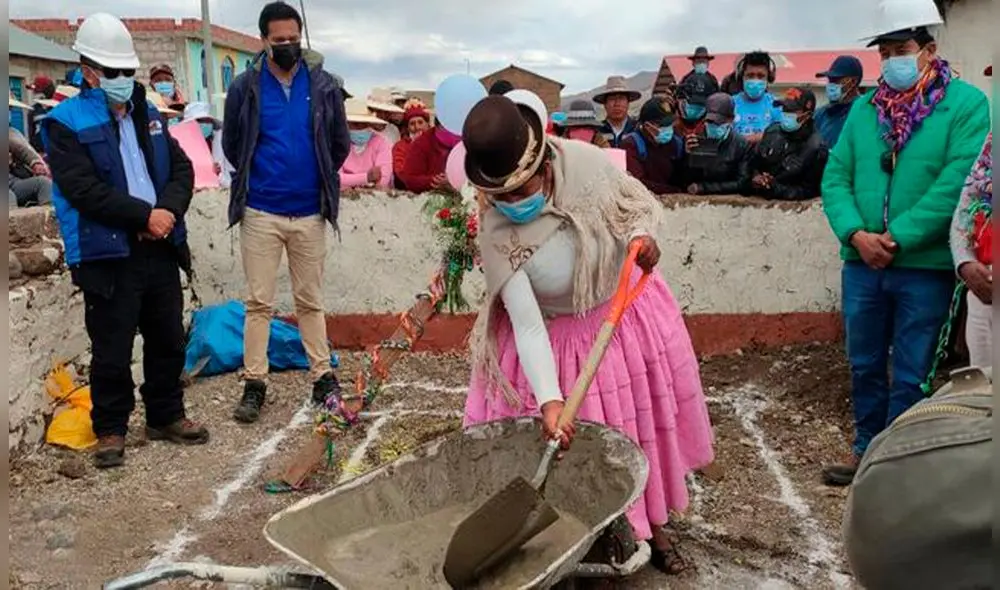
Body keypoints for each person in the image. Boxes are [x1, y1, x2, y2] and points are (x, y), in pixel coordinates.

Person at [461, 94, 714, 575]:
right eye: (503, 196)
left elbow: (635, 210)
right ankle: (566, 542)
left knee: (635, 435)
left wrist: (642, 239)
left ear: (540, 160)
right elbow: (528, 323)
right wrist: (550, 401)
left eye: (522, 189)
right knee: (563, 456)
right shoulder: (496, 230)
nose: (514, 203)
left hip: (618, 319)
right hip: (554, 341)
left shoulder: (588, 167)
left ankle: (655, 528)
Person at [820, 22, 990, 486]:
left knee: (915, 368)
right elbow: (835, 177)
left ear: (929, 51)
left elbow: (958, 182)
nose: (892, 59)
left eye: (902, 50)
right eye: (886, 52)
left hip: (923, 264)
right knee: (864, 361)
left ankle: (899, 463)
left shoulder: (966, 105)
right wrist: (856, 233)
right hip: (862, 261)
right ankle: (867, 450)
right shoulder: (864, 111)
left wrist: (897, 237)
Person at [43, 13, 208, 468]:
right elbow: (82, 189)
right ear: (88, 70)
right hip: (107, 250)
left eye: (125, 72)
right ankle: (112, 428)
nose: (121, 80)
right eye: (111, 72)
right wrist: (142, 215)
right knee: (112, 346)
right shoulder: (64, 123)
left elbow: (181, 170)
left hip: (159, 242)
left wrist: (167, 214)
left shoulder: (148, 113)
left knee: (167, 336)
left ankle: (166, 413)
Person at [222, 1, 350, 423]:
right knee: (259, 302)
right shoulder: (246, 87)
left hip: (309, 212)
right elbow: (233, 145)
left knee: (310, 300)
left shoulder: (324, 85)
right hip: (261, 211)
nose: (288, 47)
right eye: (279, 41)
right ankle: (255, 383)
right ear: (264, 41)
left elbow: (339, 144)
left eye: (294, 40)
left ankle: (322, 377)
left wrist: (316, 181)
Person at [950, 65, 992, 372]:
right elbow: (966, 206)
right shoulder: (993, 145)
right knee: (981, 395)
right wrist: (964, 263)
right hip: (984, 289)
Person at [745, 87, 827, 201]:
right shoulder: (771, 131)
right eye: (784, 108)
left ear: (807, 115)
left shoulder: (816, 148)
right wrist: (756, 177)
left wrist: (776, 188)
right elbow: (753, 163)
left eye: (791, 110)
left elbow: (811, 191)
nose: (785, 113)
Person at [684, 93, 752, 196]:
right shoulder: (696, 139)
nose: (713, 125)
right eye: (710, 121)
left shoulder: (741, 144)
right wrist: (687, 156)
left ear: (731, 119)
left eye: (719, 122)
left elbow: (742, 183)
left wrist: (704, 188)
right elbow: (683, 179)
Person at [621, 98, 684, 195]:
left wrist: (688, 157)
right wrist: (676, 191)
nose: (668, 128)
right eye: (663, 125)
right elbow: (637, 183)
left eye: (670, 124)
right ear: (647, 126)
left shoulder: (675, 143)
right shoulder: (631, 145)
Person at [339, 98, 393, 190]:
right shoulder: (338, 144)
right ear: (346, 125)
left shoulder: (382, 142)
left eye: (365, 124)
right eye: (356, 124)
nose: (362, 128)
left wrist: (350, 180)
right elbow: (336, 179)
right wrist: (367, 177)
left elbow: (383, 179)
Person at [732, 51, 783, 142]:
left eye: (760, 76)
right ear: (741, 77)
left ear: (768, 79)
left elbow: (781, 136)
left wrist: (747, 139)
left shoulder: (776, 105)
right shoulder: (730, 103)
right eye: (750, 75)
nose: (755, 80)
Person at [398, 118, 460, 193]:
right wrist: (436, 181)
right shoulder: (422, 144)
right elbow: (410, 179)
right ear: (438, 126)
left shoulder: (467, 140)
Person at [814, 55, 864, 147]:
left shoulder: (864, 112)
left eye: (836, 80)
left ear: (853, 82)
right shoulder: (820, 114)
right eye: (830, 80)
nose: (831, 85)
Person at [181, 102, 233, 187]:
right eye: (199, 121)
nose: (204, 124)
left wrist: (218, 173)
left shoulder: (220, 140)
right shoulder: (181, 146)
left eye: (207, 120)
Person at [391, 98, 430, 189]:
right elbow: (401, 172)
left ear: (427, 124)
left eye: (420, 122)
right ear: (407, 127)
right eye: (412, 124)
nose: (417, 127)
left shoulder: (436, 143)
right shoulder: (400, 147)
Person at [9, 127, 53, 207]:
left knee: (44, 183)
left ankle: (48, 217)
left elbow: (22, 149)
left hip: (12, 181)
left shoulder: (9, 132)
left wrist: (36, 163)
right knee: (9, 196)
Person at [593, 75, 640, 148]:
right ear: (605, 104)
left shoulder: (638, 129)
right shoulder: (597, 131)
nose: (617, 104)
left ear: (628, 103)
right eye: (612, 99)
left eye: (621, 98)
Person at [675, 75, 712, 140]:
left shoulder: (712, 129)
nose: (696, 107)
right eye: (692, 103)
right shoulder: (668, 127)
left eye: (701, 104)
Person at [27, 75, 57, 153]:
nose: (33, 93)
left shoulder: (58, 108)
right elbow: (31, 134)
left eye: (35, 91)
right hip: (39, 152)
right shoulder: (33, 110)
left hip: (56, 152)